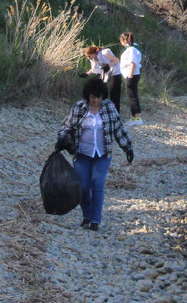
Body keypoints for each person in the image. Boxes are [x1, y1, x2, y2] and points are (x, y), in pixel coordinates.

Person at [57, 77, 134, 231]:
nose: (96, 101)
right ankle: (87, 215)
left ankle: (95, 220)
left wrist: (128, 147)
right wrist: (62, 139)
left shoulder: (109, 107)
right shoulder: (79, 107)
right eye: (93, 97)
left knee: (97, 184)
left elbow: (118, 129)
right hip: (82, 155)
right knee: (84, 187)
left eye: (99, 97)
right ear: (88, 95)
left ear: (103, 97)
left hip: (103, 155)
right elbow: (67, 126)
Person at [84, 44, 122, 110]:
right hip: (107, 74)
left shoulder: (105, 52)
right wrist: (86, 74)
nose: (88, 58)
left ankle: (116, 113)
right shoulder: (93, 59)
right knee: (102, 92)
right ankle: (103, 111)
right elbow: (93, 69)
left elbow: (116, 60)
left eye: (89, 56)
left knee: (114, 94)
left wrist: (108, 65)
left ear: (93, 53)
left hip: (116, 73)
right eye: (87, 57)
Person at [118, 31, 143, 125]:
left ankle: (137, 118)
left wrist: (130, 76)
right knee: (132, 96)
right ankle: (135, 118)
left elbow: (133, 63)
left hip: (131, 75)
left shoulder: (132, 49)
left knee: (133, 97)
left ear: (125, 40)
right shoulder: (133, 48)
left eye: (121, 41)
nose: (121, 43)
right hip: (131, 75)